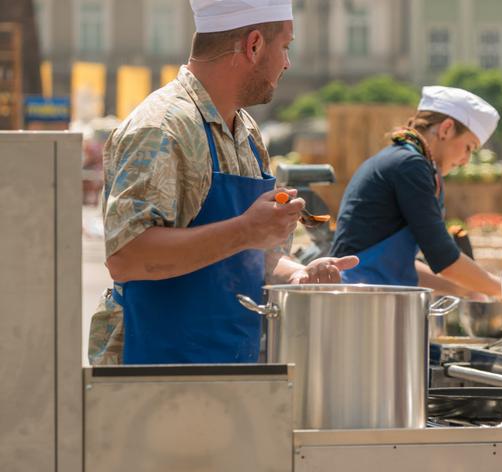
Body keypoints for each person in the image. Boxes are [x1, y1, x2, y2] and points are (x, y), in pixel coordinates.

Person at [89, 0, 358, 365]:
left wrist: (295, 275)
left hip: (226, 365)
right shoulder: (162, 127)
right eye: (285, 46)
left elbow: (252, 252)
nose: (287, 63)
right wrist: (245, 229)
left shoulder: (245, 131)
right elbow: (127, 257)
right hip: (152, 370)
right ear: (254, 45)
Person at [329, 86, 501, 298]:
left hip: (368, 294)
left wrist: (469, 291)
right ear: (446, 129)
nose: (466, 161)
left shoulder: (404, 161)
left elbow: (399, 267)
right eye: (469, 147)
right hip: (360, 299)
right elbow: (444, 259)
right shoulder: (410, 166)